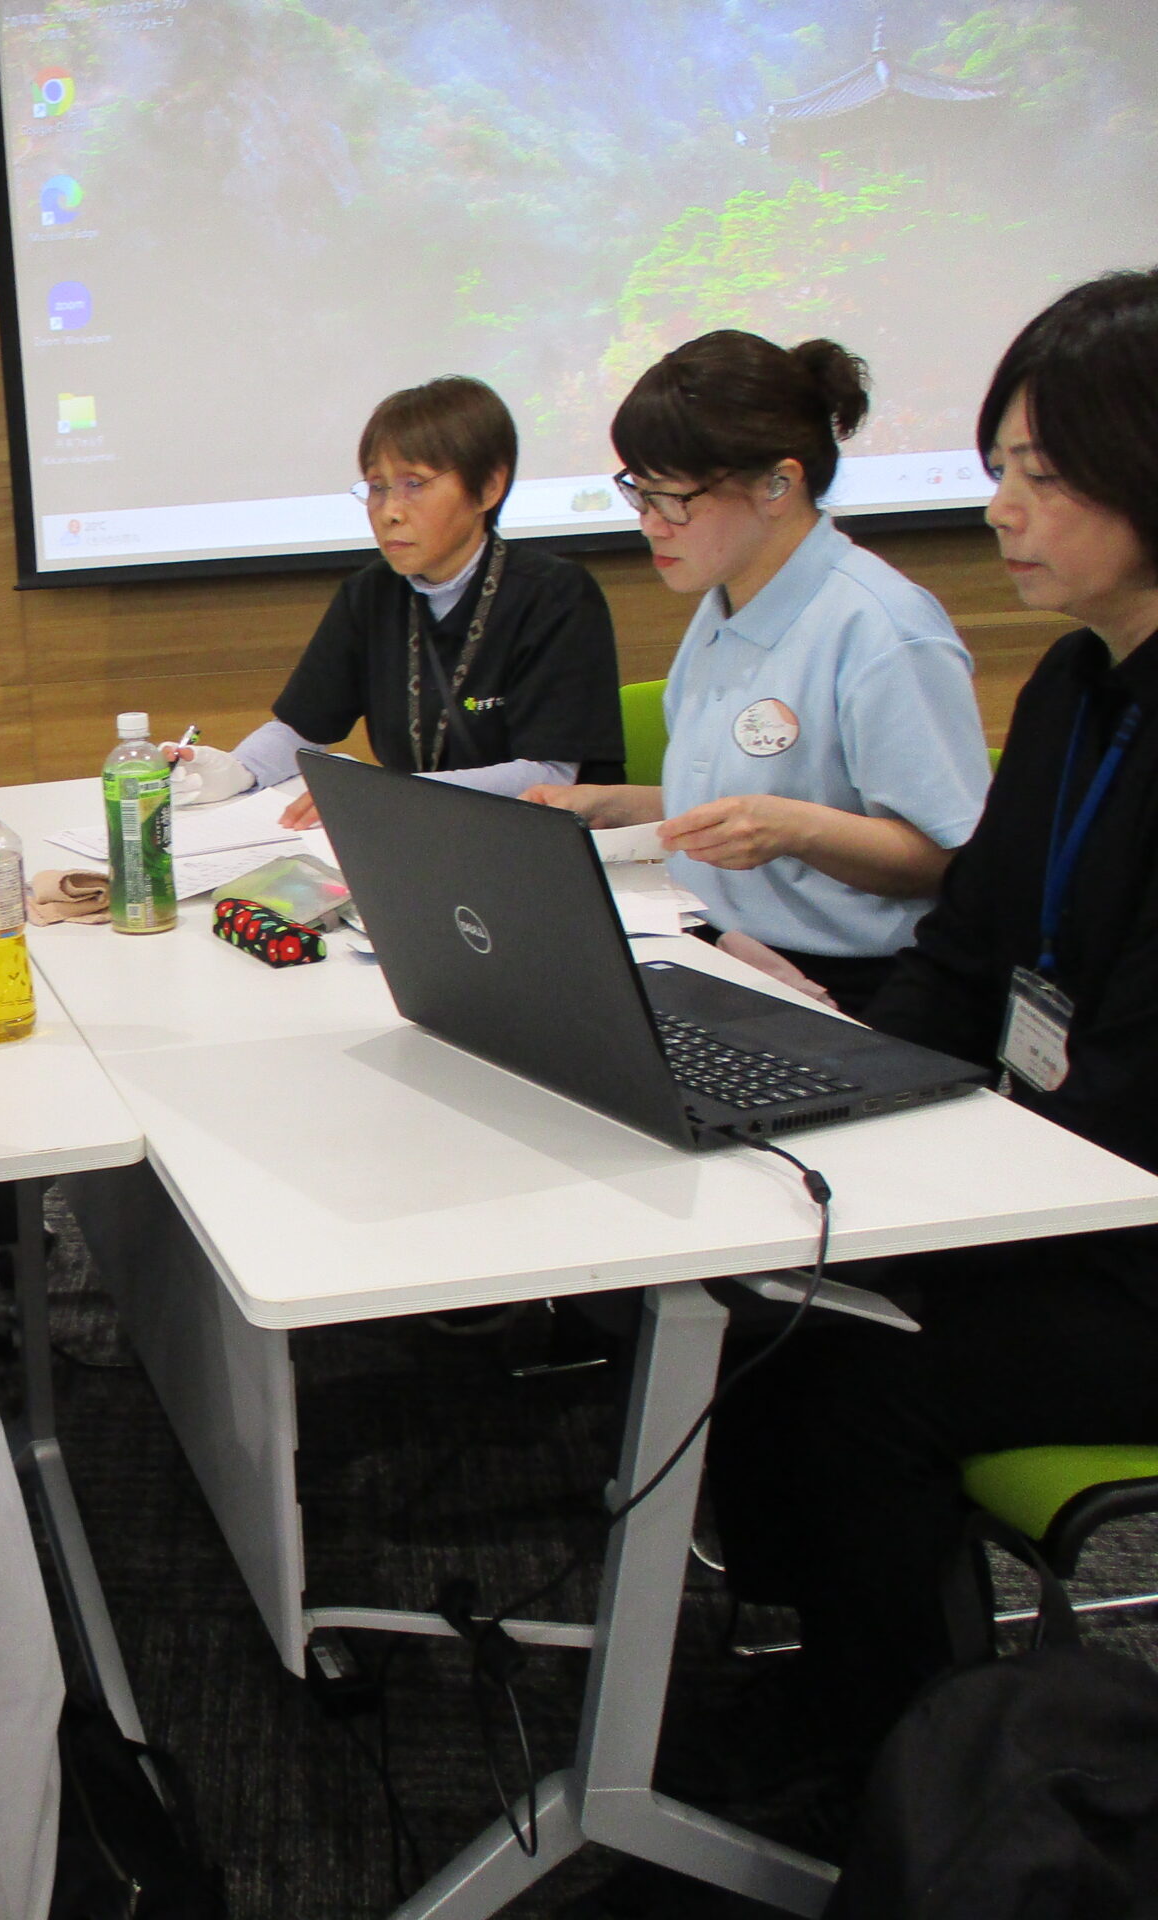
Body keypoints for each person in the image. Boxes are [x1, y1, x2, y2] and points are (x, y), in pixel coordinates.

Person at [703, 269, 1158, 1797]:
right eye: (999, 469)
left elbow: (1133, 1086)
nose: (1003, 511)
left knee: (854, 1369)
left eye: (1045, 475)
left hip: (1125, 1233)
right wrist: (848, 1087)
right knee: (770, 1305)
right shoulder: (1080, 687)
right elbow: (965, 955)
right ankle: (845, 1683)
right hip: (1052, 1182)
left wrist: (937, 1194)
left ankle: (896, 1766)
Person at [524, 333, 992, 1016]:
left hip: (853, 989)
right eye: (637, 493)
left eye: (672, 498)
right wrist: (613, 806)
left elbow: (951, 858)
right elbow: (748, 802)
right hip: (716, 949)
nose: (650, 525)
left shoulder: (881, 627)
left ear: (778, 484)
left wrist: (793, 828)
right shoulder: (725, 601)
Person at [199, 376, 625, 826]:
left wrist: (389, 795)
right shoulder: (369, 595)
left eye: (414, 484)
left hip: (547, 840)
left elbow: (549, 775)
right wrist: (236, 770)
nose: (390, 511)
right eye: (377, 487)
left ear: (488, 488)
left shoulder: (554, 595)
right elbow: (300, 730)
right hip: (420, 831)